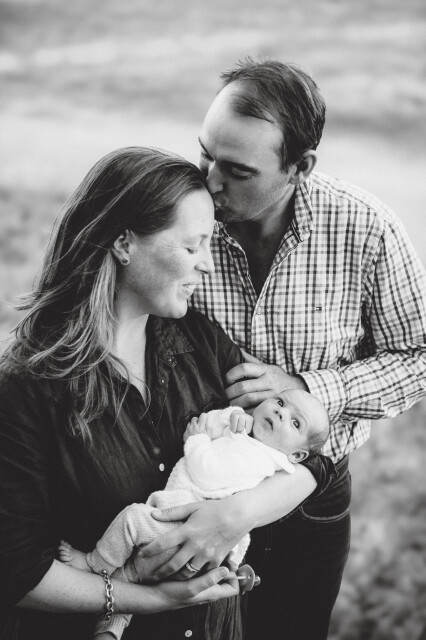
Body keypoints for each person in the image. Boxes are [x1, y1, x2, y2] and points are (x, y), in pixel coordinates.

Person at [137, 59, 426, 639]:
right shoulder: (181, 218)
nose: (210, 181)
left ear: (301, 167)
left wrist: (311, 389)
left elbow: (418, 356)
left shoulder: (366, 229)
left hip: (309, 492)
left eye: (238, 171)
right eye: (205, 154)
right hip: (185, 482)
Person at [0, 146, 333, 640]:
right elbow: (17, 572)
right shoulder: (28, 386)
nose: (208, 266)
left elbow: (315, 461)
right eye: (193, 247)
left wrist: (235, 515)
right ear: (123, 243)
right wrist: (152, 600)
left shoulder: (201, 342)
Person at [59, 389, 330, 639]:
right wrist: (231, 416)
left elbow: (208, 474)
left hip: (185, 530)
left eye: (296, 422)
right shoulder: (252, 439)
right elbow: (210, 422)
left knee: (133, 520)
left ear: (297, 455)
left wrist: (196, 440)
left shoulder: (260, 458)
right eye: (280, 402)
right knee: (131, 577)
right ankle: (110, 630)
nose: (281, 413)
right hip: (189, 537)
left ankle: (95, 564)